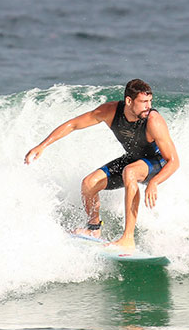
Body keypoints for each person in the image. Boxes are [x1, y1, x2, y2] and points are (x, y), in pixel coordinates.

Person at [24, 79, 179, 249]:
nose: (148, 106)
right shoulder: (110, 111)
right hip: (133, 159)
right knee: (89, 184)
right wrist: (42, 145)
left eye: (150, 101)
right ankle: (94, 228)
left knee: (130, 172)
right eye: (143, 102)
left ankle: (128, 238)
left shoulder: (153, 121)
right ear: (129, 101)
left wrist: (155, 182)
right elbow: (73, 124)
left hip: (156, 162)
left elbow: (173, 161)